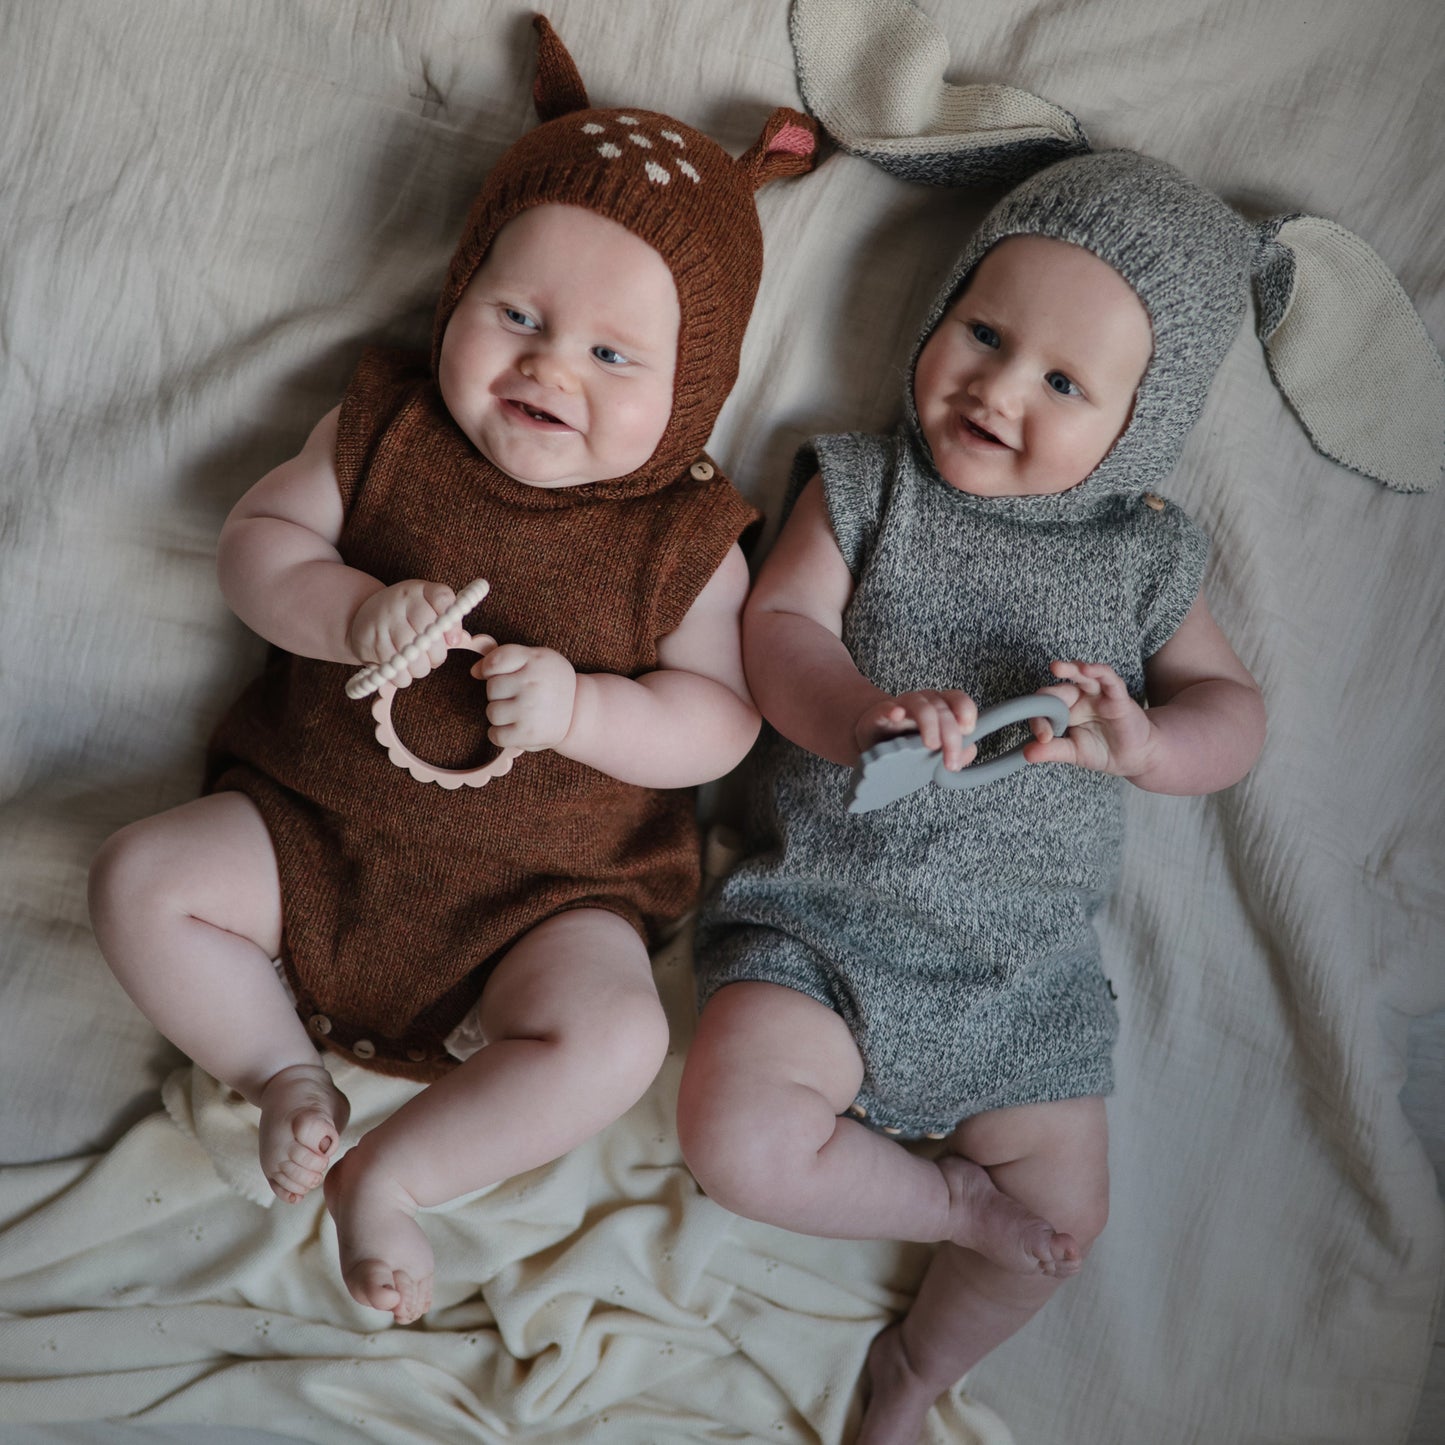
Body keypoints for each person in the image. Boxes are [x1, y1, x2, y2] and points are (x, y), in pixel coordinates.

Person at [87, 16, 817, 1327]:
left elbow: (723, 720)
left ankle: (395, 1175)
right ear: (458, 291)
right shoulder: (390, 429)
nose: (547, 366)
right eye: (517, 314)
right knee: (139, 878)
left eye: (612, 356)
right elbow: (257, 545)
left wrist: (586, 709)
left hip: (542, 909)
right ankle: (280, 1070)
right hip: (305, 839)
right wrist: (350, 611)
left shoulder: (685, 535)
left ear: (693, 391)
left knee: (620, 1036)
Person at [676, 149, 1272, 1444]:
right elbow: (779, 627)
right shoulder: (866, 487)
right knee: (735, 1140)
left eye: (1063, 382)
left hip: (1023, 973)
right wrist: (856, 713)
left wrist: (1148, 746)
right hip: (820, 929)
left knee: (1063, 1223)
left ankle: (910, 1373)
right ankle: (948, 1206)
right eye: (984, 333)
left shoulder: (1143, 555)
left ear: (1140, 424)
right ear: (938, 310)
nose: (999, 387)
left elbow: (1234, 712)